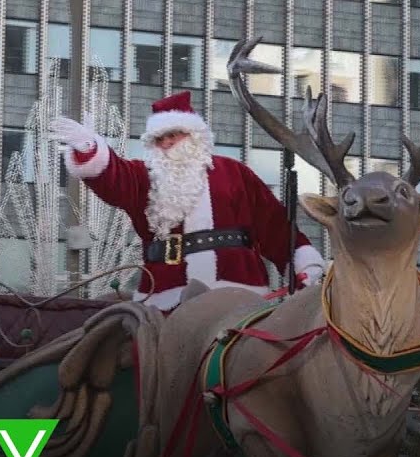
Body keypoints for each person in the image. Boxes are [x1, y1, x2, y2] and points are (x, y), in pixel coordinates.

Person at [48, 90, 325, 311]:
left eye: (173, 135)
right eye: (159, 138)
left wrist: (303, 264)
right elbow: (114, 178)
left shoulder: (234, 172)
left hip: (238, 292)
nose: (166, 143)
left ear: (195, 135)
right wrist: (90, 149)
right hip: (167, 295)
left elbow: (274, 226)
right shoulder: (145, 176)